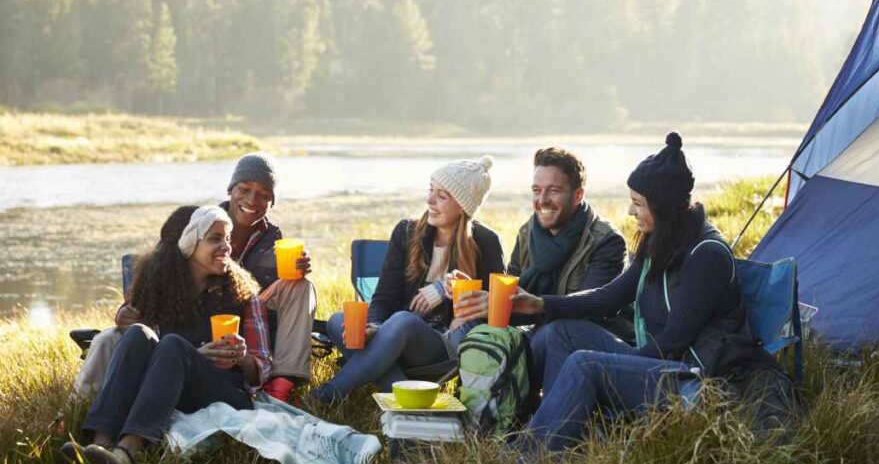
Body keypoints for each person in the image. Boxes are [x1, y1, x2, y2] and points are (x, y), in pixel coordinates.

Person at [510, 133, 747, 453]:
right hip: (655, 360)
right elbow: (610, 296)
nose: (631, 211)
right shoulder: (661, 241)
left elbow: (672, 343)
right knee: (561, 332)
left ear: (662, 207)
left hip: (690, 378)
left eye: (637, 203)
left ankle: (531, 455)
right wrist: (540, 304)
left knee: (586, 364)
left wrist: (615, 363)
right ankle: (559, 433)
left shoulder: (707, 255)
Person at [70, 152, 316, 404]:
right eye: (245, 189)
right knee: (107, 338)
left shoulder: (272, 237)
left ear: (272, 201)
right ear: (231, 189)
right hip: (190, 312)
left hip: (244, 309)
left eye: (264, 195)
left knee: (301, 286)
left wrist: (296, 269)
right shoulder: (197, 221)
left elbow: (264, 293)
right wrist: (127, 310)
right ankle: (77, 411)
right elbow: (160, 270)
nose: (253, 199)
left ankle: (282, 384)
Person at [61, 205, 271, 464]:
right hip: (171, 389)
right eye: (215, 239)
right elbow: (142, 348)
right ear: (189, 244)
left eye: (227, 239)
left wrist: (240, 357)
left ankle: (127, 453)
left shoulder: (245, 296)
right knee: (137, 333)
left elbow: (262, 370)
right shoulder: (160, 287)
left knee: (171, 344)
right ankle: (100, 446)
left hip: (225, 392)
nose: (226, 247)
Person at [313, 156, 504, 404]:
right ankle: (405, 397)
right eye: (430, 189)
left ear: (463, 207)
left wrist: (448, 289)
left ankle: (328, 395)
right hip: (392, 337)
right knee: (337, 321)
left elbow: (498, 310)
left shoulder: (485, 242)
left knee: (404, 320)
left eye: (442, 196)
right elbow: (384, 297)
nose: (429, 200)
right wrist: (375, 327)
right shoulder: (406, 232)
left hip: (439, 347)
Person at [453, 147, 629, 397]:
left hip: (585, 339)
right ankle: (479, 410)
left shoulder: (606, 241)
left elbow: (589, 312)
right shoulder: (527, 234)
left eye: (553, 190)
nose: (542, 200)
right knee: (471, 325)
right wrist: (483, 301)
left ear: (578, 195)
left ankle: (533, 414)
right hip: (536, 329)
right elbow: (511, 293)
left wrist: (532, 306)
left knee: (548, 334)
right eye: (536, 190)